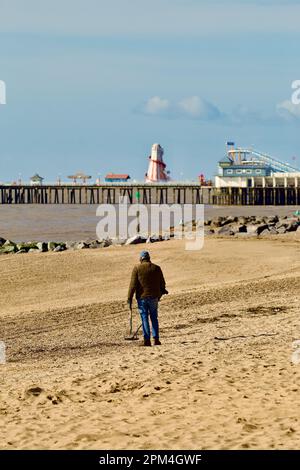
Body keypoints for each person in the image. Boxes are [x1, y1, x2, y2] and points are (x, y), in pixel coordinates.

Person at [128, 250, 168, 346]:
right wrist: (160, 294)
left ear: (141, 259)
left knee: (144, 318)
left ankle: (147, 340)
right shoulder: (157, 268)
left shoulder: (137, 268)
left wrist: (129, 298)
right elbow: (162, 284)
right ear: (149, 258)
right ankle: (156, 339)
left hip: (142, 298)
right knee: (154, 318)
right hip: (154, 297)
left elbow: (133, 285)